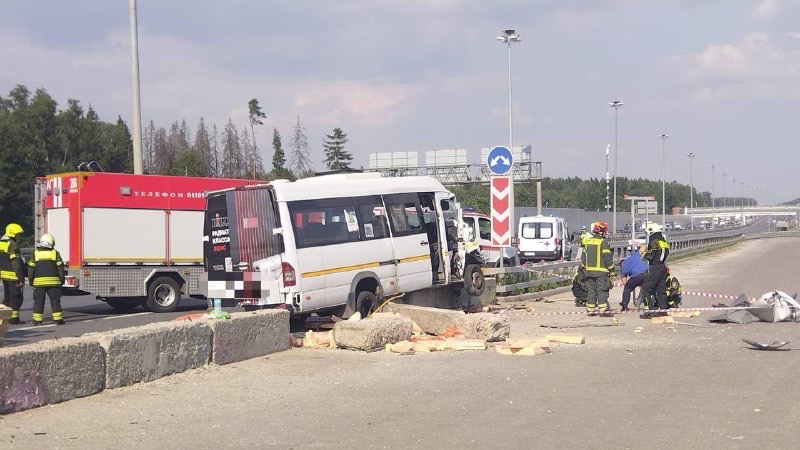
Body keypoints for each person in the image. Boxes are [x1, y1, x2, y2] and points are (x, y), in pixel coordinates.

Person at [27, 233, 66, 325]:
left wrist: (31, 281)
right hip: (53, 283)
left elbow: (31, 269)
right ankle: (58, 320)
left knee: (38, 302)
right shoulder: (55, 253)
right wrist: (61, 281)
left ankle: (37, 321)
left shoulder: (35, 253)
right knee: (55, 301)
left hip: (39, 283)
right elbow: (60, 269)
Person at [582, 221, 615, 314]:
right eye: (606, 231)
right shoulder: (603, 243)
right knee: (602, 290)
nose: (606, 233)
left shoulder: (587, 242)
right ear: (602, 232)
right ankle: (603, 309)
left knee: (591, 291)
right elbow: (607, 258)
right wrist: (612, 270)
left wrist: (585, 268)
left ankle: (590, 309)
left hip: (588, 272)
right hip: (601, 272)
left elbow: (583, 258)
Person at [640, 222, 670, 319]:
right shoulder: (664, 242)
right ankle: (663, 311)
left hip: (655, 267)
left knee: (646, 289)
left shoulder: (654, 242)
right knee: (661, 290)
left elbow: (650, 256)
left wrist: (642, 252)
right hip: (663, 267)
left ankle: (649, 311)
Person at [0, 223, 26, 324]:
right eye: (17, 234)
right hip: (13, 275)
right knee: (15, 297)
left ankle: (3, 317)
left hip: (4, 275)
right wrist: (21, 278)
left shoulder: (1, 243)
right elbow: (16, 263)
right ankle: (14, 318)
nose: (18, 236)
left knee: (7, 297)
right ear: (12, 234)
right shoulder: (12, 244)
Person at [619, 245, 648, 311]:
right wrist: (639, 245)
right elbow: (643, 248)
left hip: (636, 276)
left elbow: (624, 283)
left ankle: (624, 306)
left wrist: (630, 287)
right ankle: (648, 306)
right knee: (646, 290)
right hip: (647, 274)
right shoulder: (634, 255)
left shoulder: (623, 268)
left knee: (627, 289)